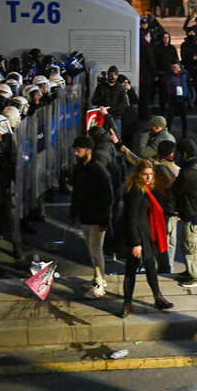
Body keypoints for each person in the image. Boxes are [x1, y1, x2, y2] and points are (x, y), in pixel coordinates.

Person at [119, 160, 174, 318]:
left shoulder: (145, 189)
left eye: (150, 174)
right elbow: (130, 218)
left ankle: (158, 298)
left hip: (144, 234)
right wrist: (136, 244)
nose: (148, 177)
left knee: (150, 267)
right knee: (131, 270)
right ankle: (126, 305)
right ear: (138, 175)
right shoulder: (136, 191)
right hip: (136, 236)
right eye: (145, 174)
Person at [69, 136, 113, 299]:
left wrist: (104, 221)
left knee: (96, 250)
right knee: (91, 249)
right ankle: (97, 277)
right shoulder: (81, 168)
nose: (75, 153)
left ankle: (100, 282)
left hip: (95, 217)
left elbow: (107, 198)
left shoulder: (98, 170)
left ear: (88, 151)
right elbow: (76, 193)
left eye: (78, 150)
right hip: (85, 216)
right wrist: (74, 212)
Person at [171, 139, 197, 288]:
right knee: (190, 244)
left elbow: (176, 190)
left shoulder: (187, 171)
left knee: (191, 245)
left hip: (193, 213)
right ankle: (191, 271)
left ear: (184, 153)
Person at [161, 62, 193, 139]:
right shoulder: (168, 76)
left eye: (176, 67)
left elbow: (189, 86)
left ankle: (184, 136)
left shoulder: (185, 74)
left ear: (180, 68)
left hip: (183, 99)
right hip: (172, 99)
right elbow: (164, 88)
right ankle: (167, 135)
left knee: (184, 118)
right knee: (169, 118)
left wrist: (190, 98)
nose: (175, 69)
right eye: (173, 67)